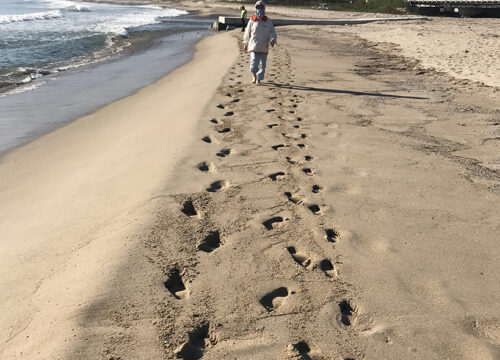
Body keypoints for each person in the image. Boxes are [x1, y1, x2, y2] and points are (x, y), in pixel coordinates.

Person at [243, 1, 277, 84]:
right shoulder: (252, 20)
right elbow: (247, 32)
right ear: (255, 8)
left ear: (264, 9)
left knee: (262, 65)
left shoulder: (268, 21)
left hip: (264, 46)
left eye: (261, 8)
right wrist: (245, 43)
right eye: (258, 7)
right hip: (253, 45)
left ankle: (259, 78)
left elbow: (272, 31)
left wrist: (273, 39)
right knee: (254, 61)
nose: (259, 9)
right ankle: (254, 77)